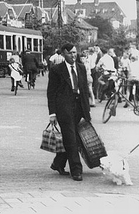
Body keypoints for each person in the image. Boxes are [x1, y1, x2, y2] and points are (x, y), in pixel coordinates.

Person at [47, 43, 91, 182]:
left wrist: (87, 111)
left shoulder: (81, 68)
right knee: (71, 137)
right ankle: (76, 170)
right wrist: (52, 113)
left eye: (75, 53)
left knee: (75, 137)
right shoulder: (56, 70)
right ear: (64, 54)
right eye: (70, 53)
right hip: (64, 107)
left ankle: (58, 163)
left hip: (79, 106)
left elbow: (84, 89)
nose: (74, 55)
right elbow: (51, 92)